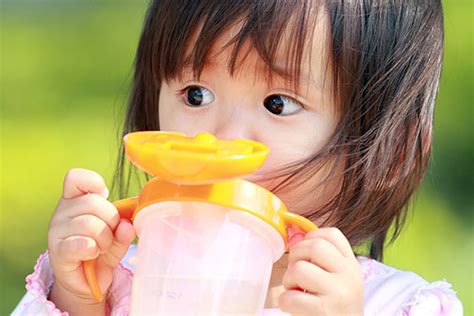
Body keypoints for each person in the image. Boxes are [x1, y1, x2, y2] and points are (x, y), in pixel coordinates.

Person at [13, 0, 463, 315]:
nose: (221, 139)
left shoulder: (395, 305)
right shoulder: (119, 281)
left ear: (388, 153)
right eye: (196, 94)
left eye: (278, 104)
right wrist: (77, 300)